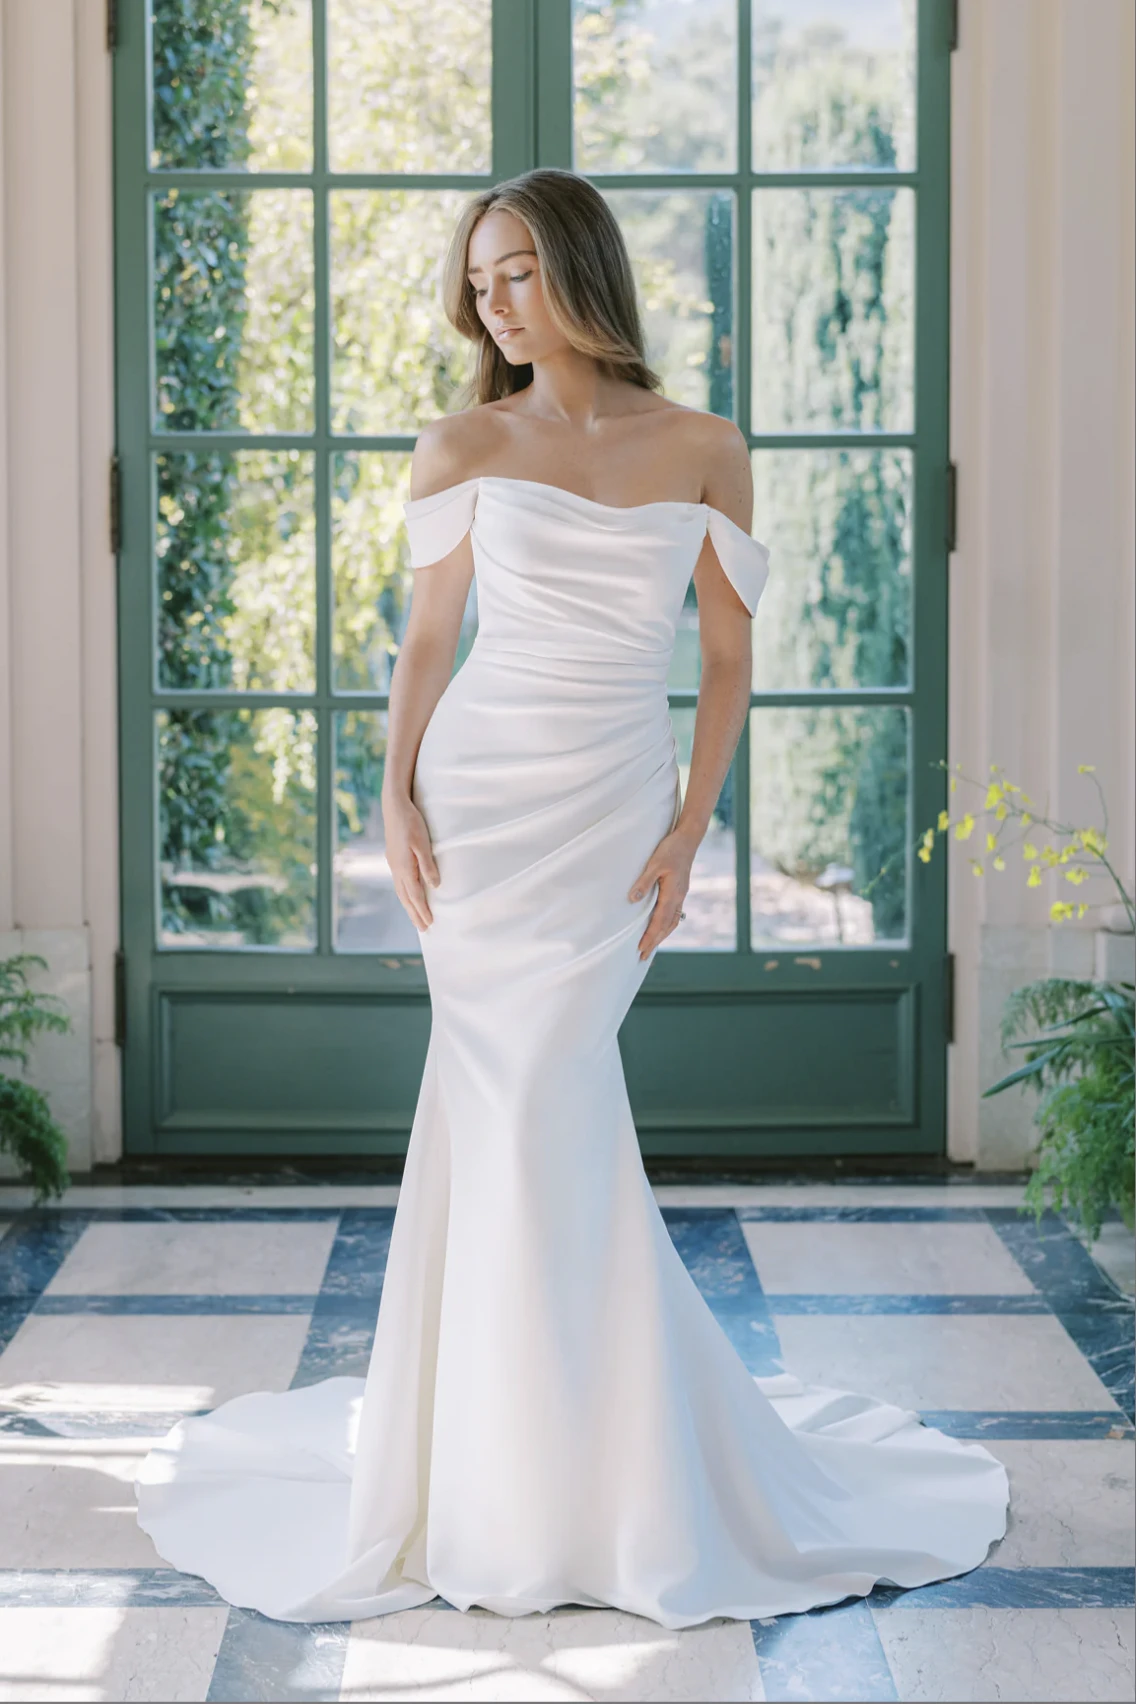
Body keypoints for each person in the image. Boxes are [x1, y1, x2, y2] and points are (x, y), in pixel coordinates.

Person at [136, 168, 1009, 1627]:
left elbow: (724, 662)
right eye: (481, 282)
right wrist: (395, 792)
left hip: (609, 809)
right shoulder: (461, 441)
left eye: (521, 270)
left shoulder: (706, 447)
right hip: (483, 806)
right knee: (514, 1106)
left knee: (546, 1100)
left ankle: (588, 1462)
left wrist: (688, 830)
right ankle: (498, 1470)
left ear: (584, 269)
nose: (498, 301)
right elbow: (430, 638)